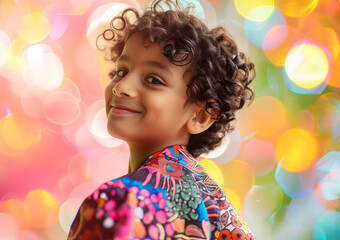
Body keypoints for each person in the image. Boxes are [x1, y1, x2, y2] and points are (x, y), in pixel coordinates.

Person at [68, 0, 256, 239]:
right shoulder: (222, 214)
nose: (121, 87)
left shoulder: (120, 201)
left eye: (154, 80)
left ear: (201, 115)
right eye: (121, 72)